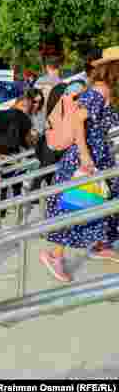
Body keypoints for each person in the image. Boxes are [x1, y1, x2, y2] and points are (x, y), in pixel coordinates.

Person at [42, 49, 119, 283]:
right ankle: (54, 255)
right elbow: (77, 119)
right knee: (78, 206)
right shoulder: (96, 92)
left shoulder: (107, 93)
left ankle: (99, 243)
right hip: (86, 158)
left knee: (105, 201)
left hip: (100, 156)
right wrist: (85, 156)